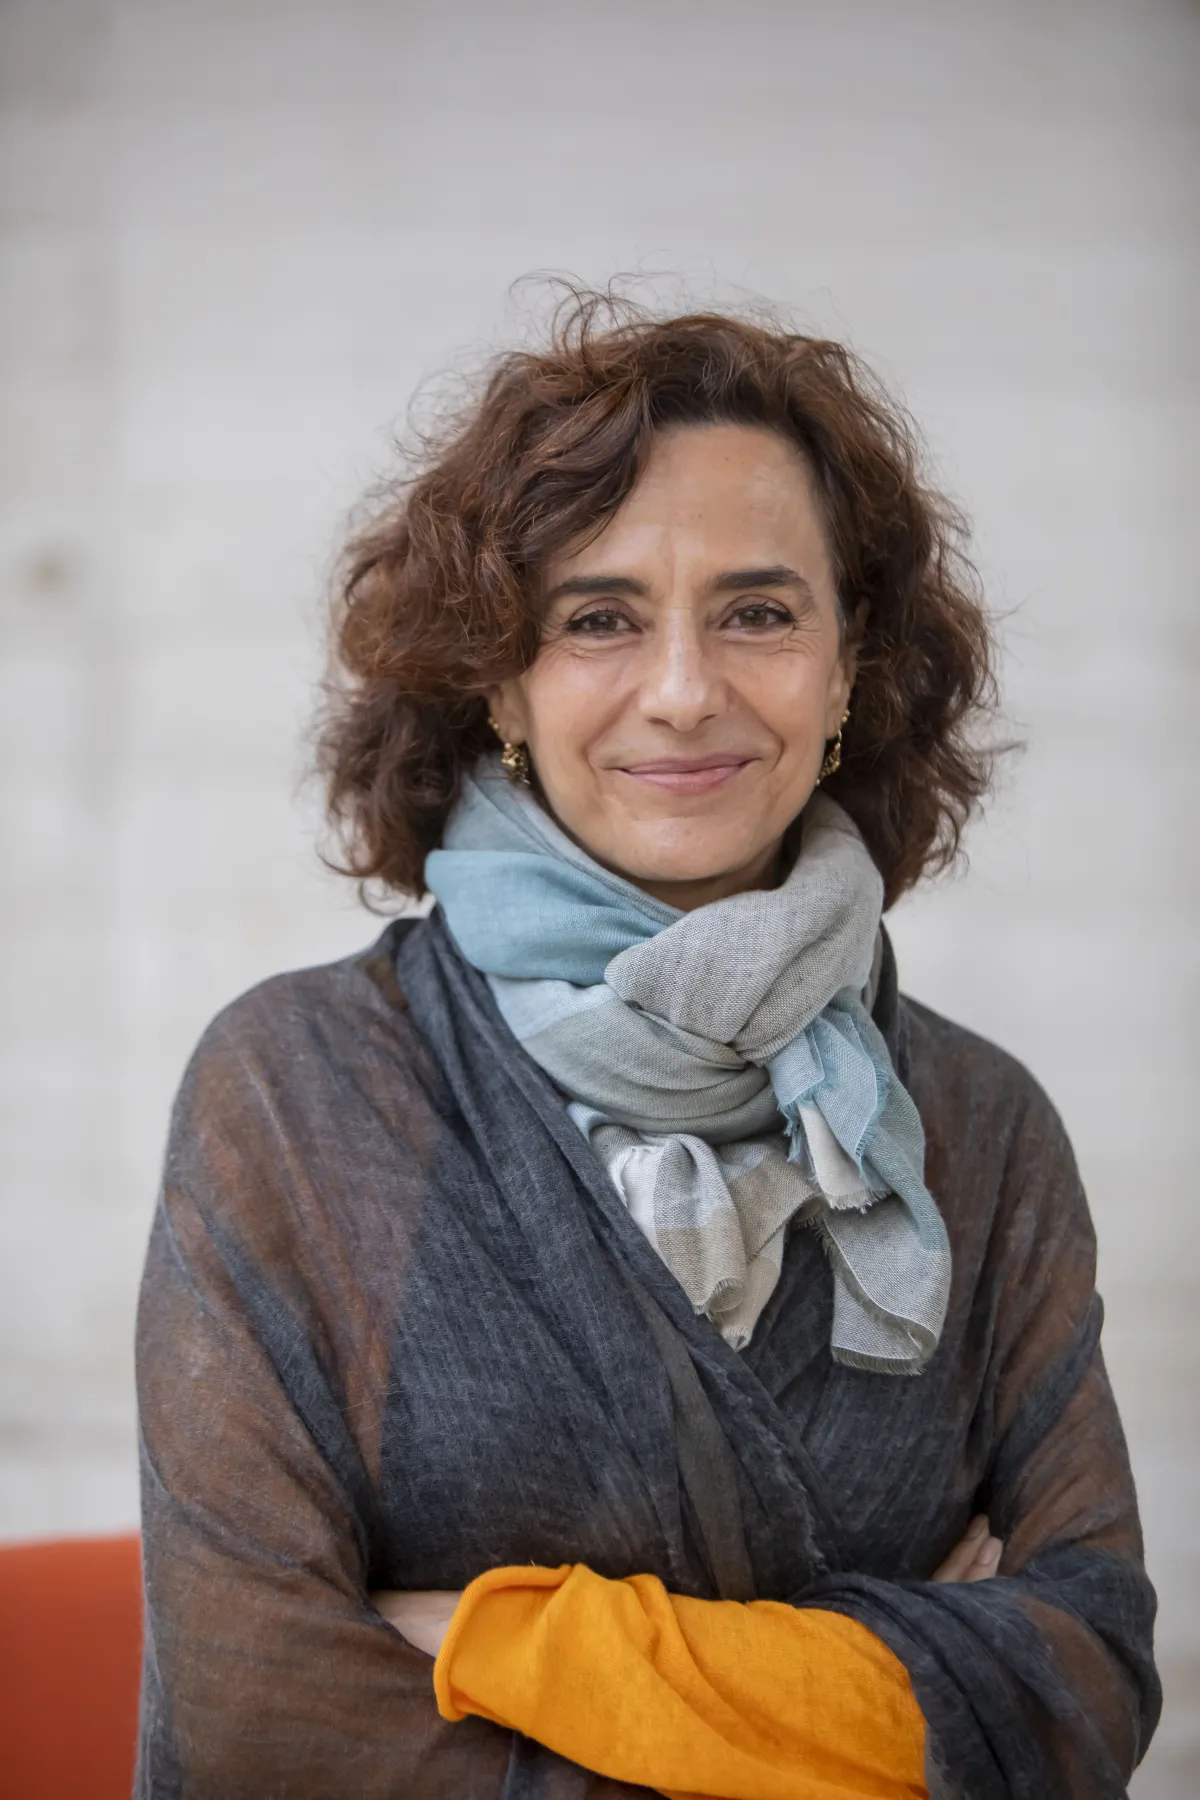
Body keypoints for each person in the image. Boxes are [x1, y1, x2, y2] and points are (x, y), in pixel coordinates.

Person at [135, 296, 1160, 1799]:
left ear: (850, 666)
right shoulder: (294, 1092)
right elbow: (260, 1719)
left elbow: (1081, 1680)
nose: (683, 691)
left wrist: (513, 1649)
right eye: (599, 618)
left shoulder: (980, 1126)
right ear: (500, 680)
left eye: (759, 613)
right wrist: (901, 1700)